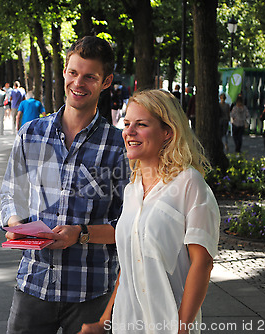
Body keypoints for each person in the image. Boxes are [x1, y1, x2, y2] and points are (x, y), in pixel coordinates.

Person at [0, 36, 130, 334]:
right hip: (33, 282)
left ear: (106, 81)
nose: (78, 83)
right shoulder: (31, 134)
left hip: (91, 292)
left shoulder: (119, 146)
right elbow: (9, 194)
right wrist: (16, 222)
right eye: (73, 73)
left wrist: (80, 235)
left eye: (90, 77)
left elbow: (130, 226)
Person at [79, 90, 220, 334]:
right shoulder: (133, 189)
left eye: (141, 124)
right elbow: (130, 262)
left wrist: (182, 327)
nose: (129, 132)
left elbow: (203, 262)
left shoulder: (189, 183)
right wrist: (105, 321)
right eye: (126, 124)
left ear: (168, 132)